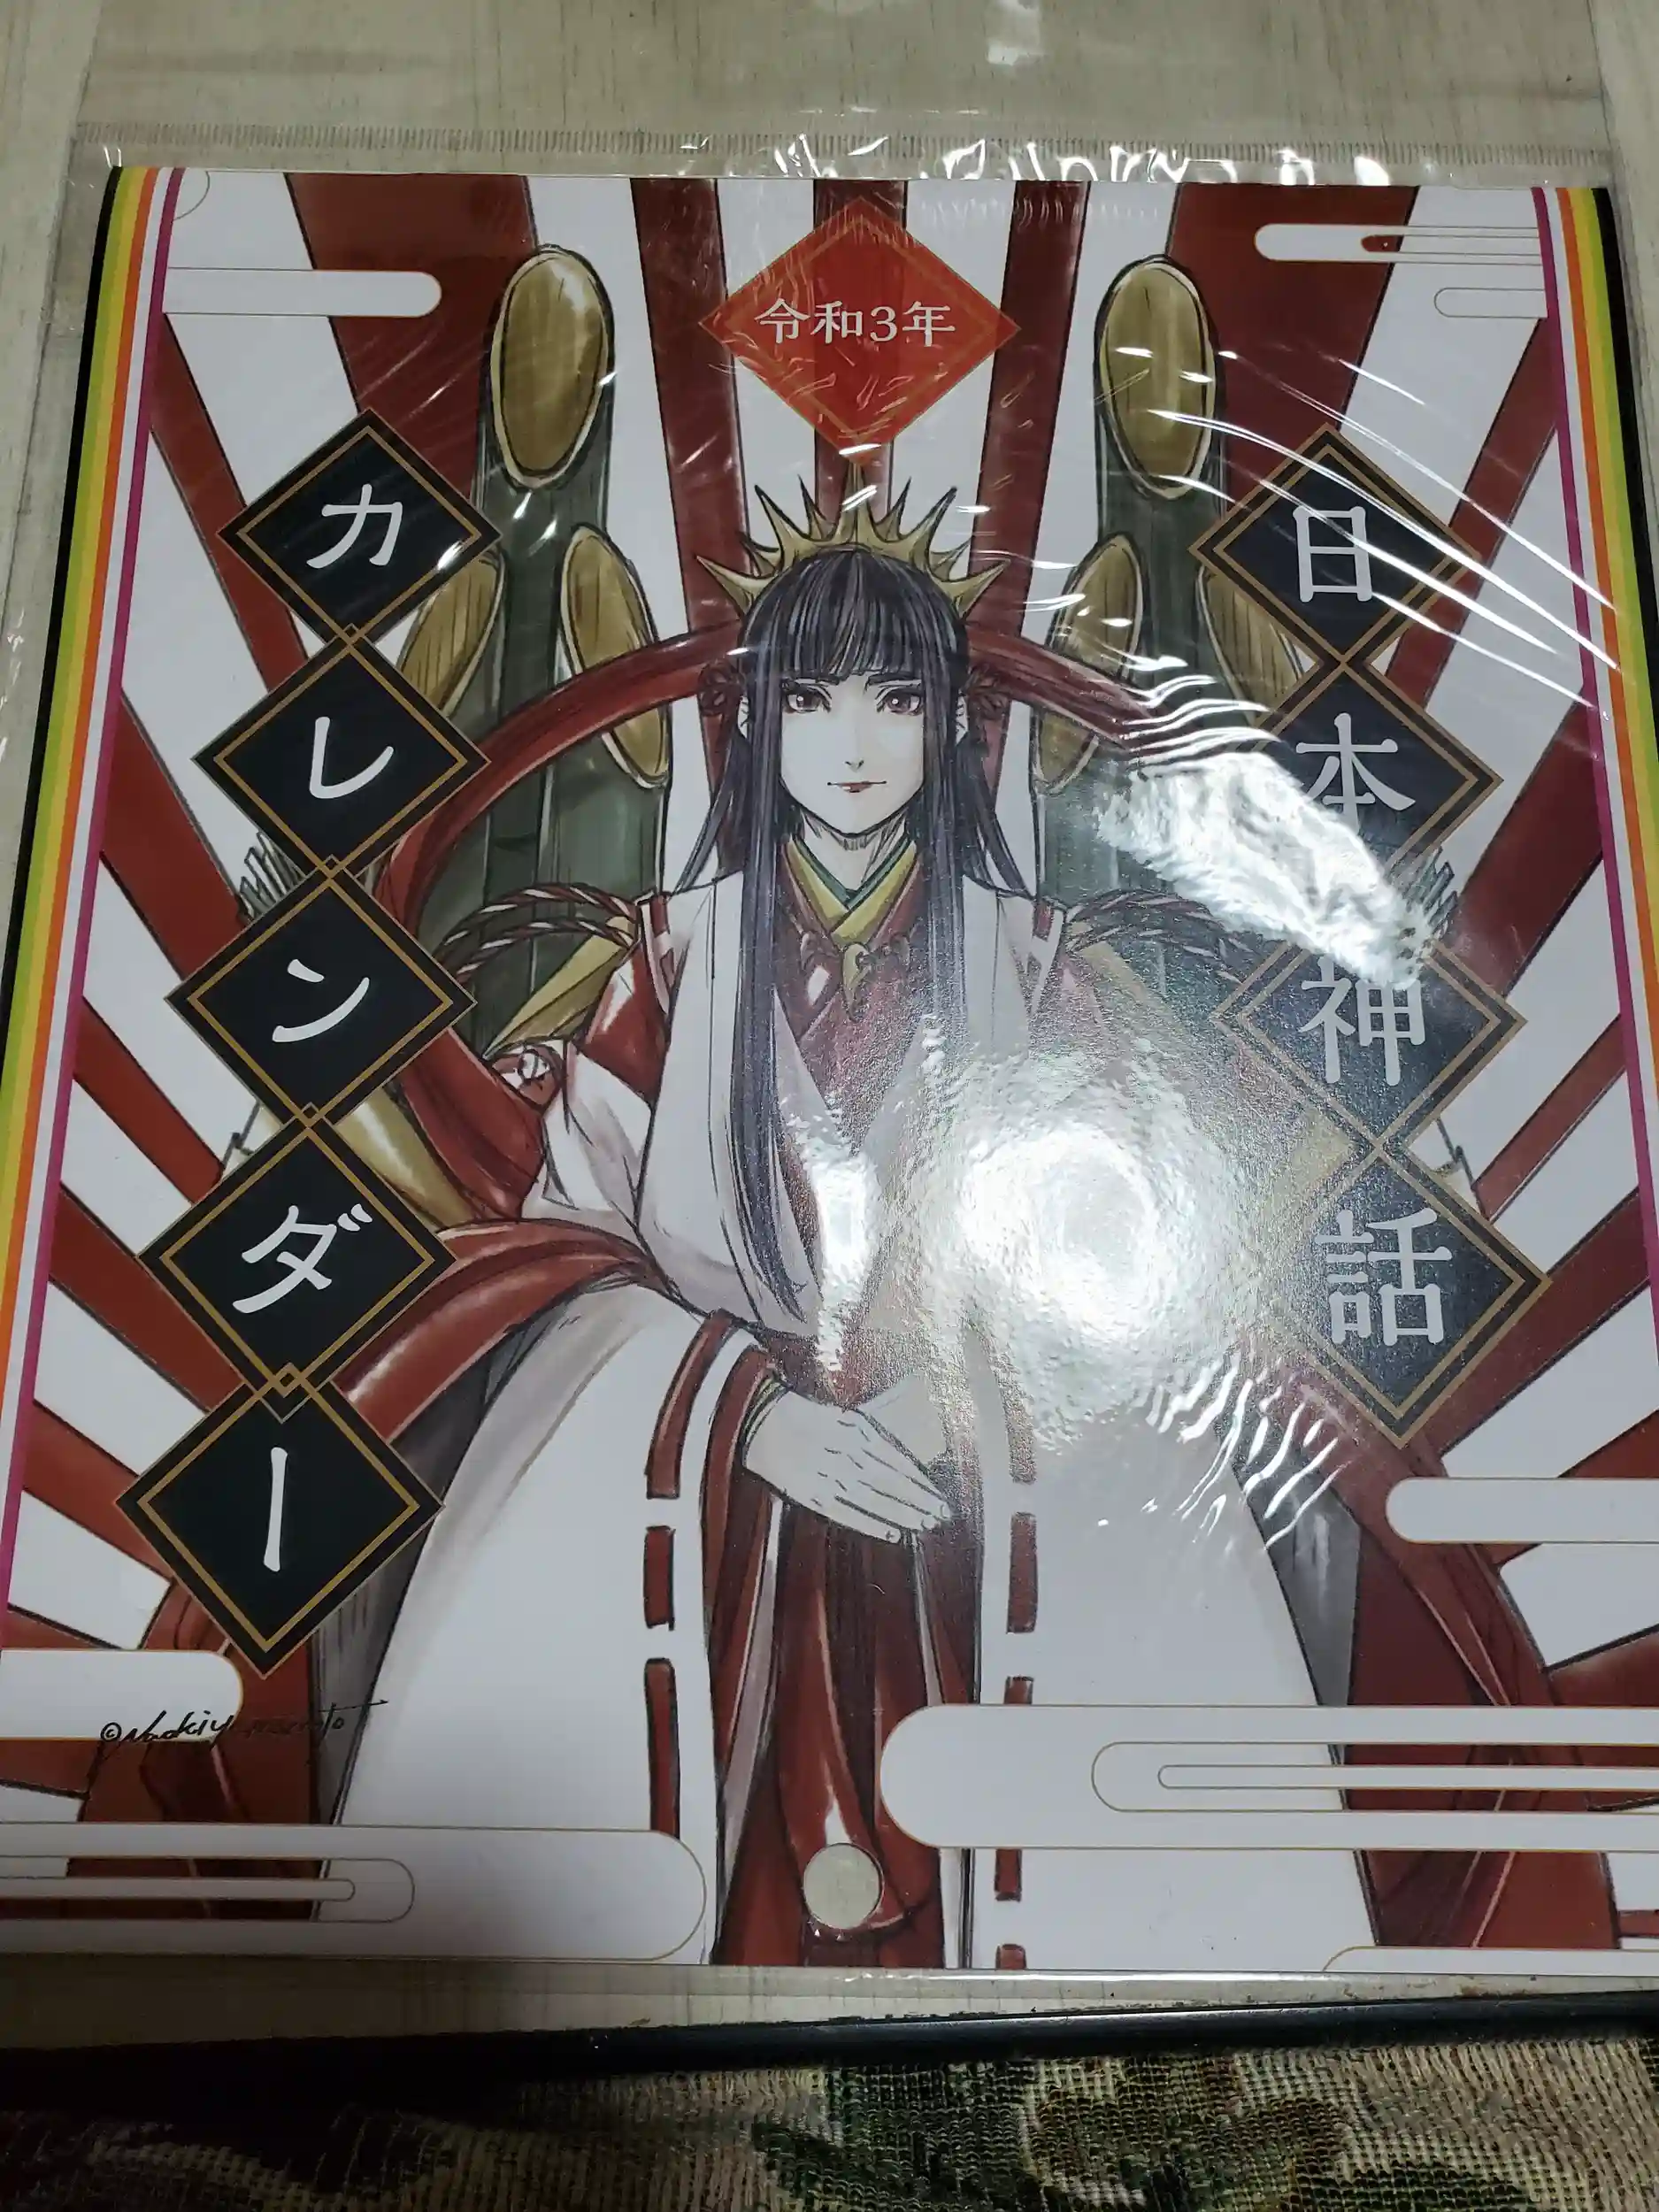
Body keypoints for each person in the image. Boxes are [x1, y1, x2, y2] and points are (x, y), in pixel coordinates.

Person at [333, 494, 1375, 1970]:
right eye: (808, 698)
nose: (852, 741)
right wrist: (745, 1413)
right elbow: (572, 1250)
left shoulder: (1036, 960)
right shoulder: (664, 959)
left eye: (896, 698)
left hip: (972, 1482)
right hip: (712, 1493)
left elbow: (1121, 1239)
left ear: (952, 724)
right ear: (753, 723)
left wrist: (952, 1399)